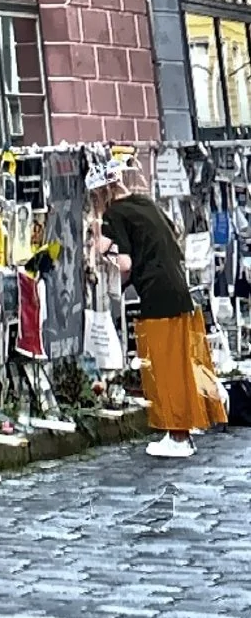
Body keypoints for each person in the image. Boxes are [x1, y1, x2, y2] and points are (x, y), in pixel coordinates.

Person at [93, 177, 220, 463]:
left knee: (164, 368)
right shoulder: (144, 203)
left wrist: (108, 260)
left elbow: (125, 264)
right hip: (177, 288)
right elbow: (173, 232)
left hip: (156, 294)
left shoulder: (114, 213)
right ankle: (185, 428)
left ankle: (178, 436)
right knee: (180, 364)